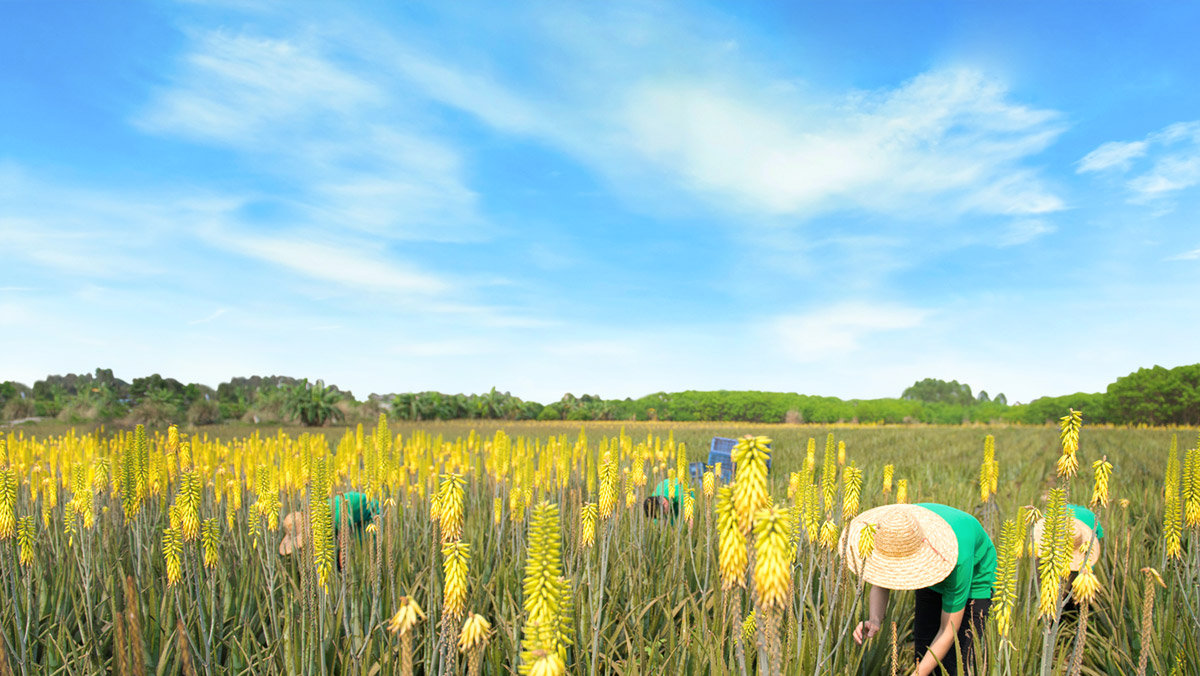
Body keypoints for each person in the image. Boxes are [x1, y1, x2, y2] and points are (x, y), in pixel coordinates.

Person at [842, 503, 996, 676]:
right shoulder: (900, 527)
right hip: (932, 570)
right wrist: (875, 619)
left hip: (974, 579)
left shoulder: (960, 560)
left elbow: (948, 631)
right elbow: (881, 580)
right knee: (924, 650)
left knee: (958, 664)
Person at [1031, 503, 1103, 614]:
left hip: (1072, 547)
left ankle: (1068, 607)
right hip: (1053, 543)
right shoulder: (1056, 512)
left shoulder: (1091, 520)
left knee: (1073, 586)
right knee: (1048, 583)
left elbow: (1092, 553)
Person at [278, 491, 379, 558]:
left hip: (375, 517)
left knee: (358, 552)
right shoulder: (320, 511)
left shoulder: (337, 516)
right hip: (355, 520)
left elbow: (344, 549)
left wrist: (344, 574)